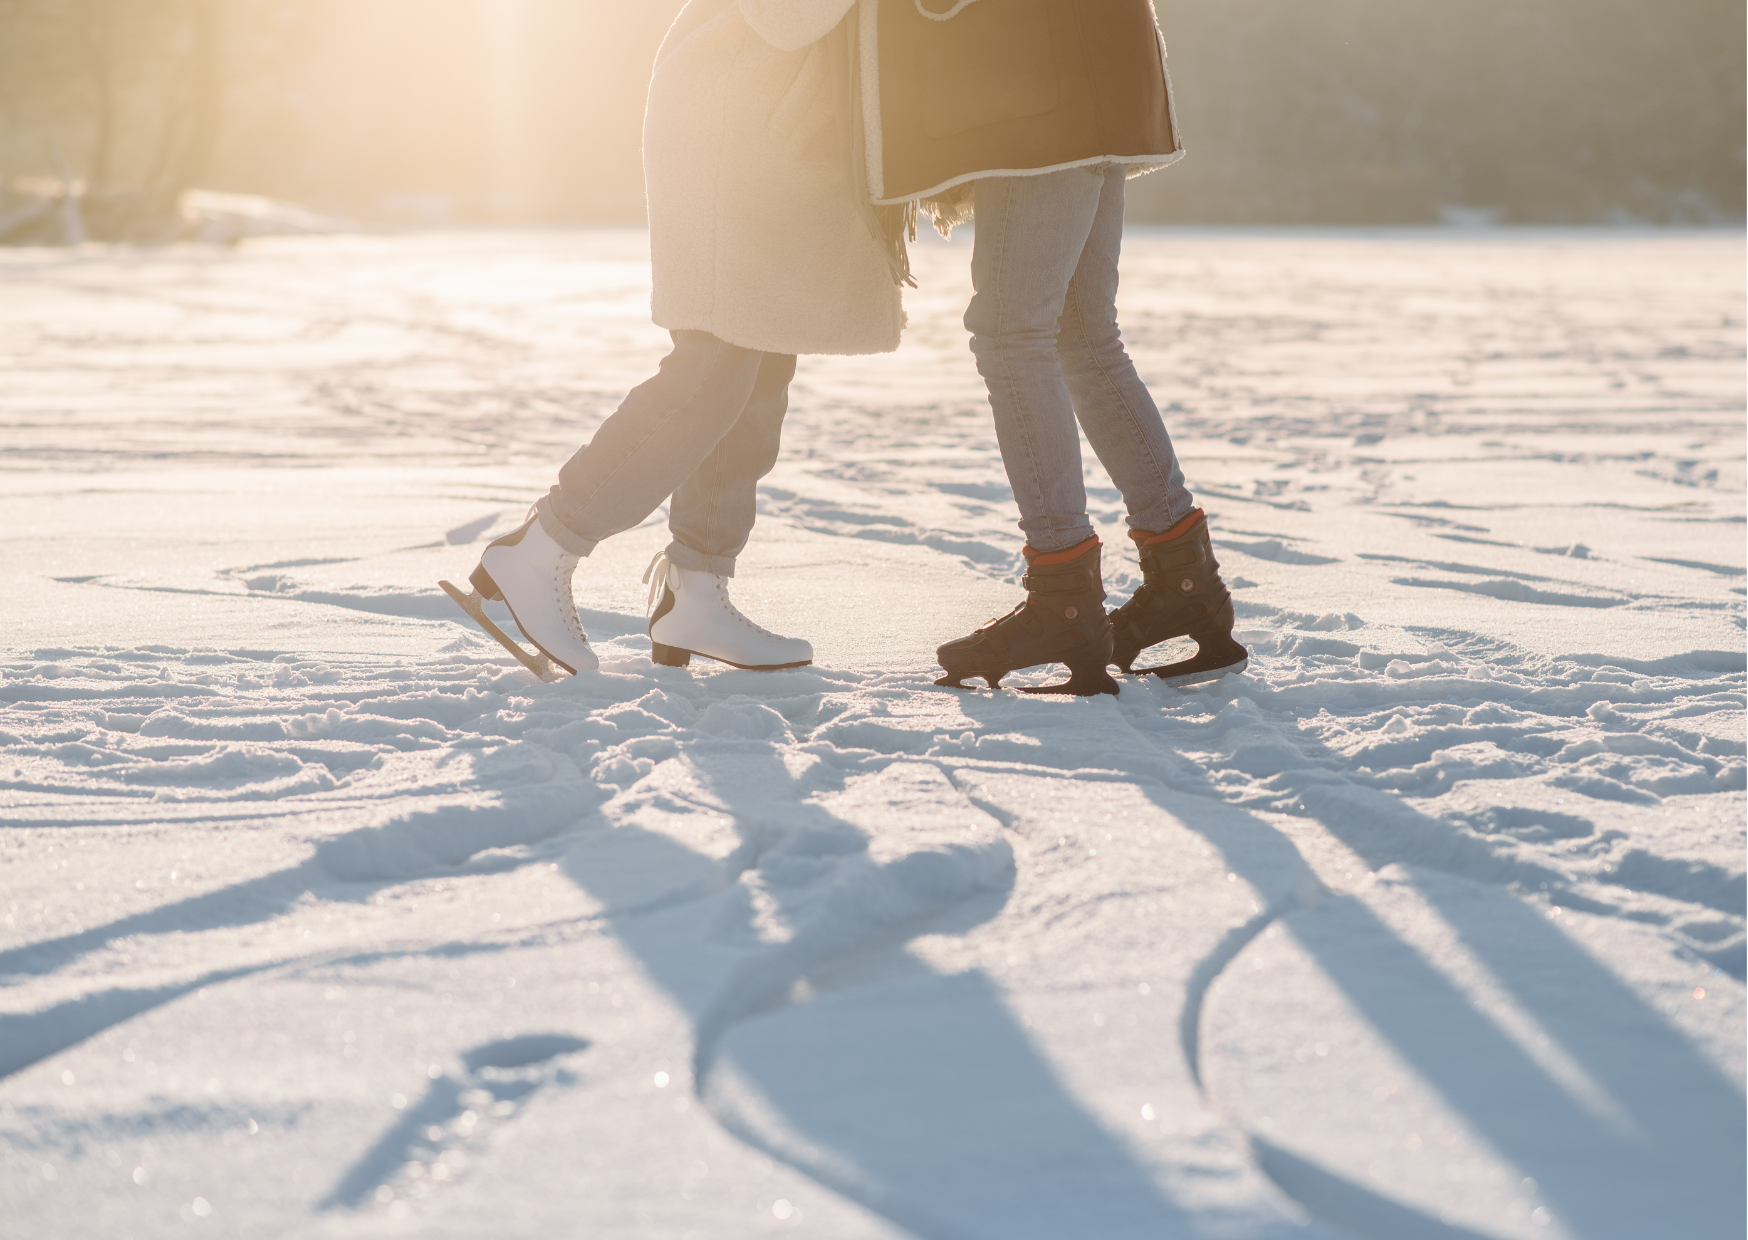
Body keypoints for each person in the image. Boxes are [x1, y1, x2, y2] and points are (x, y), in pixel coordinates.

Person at [443, 0, 905, 676]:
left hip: (775, 127)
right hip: (734, 120)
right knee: (714, 366)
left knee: (760, 359)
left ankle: (698, 588)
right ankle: (542, 547)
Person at [852, 0, 1248, 695]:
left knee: (1012, 336)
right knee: (1083, 335)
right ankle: (1182, 582)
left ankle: (1062, 598)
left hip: (1036, 89)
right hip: (1102, 73)